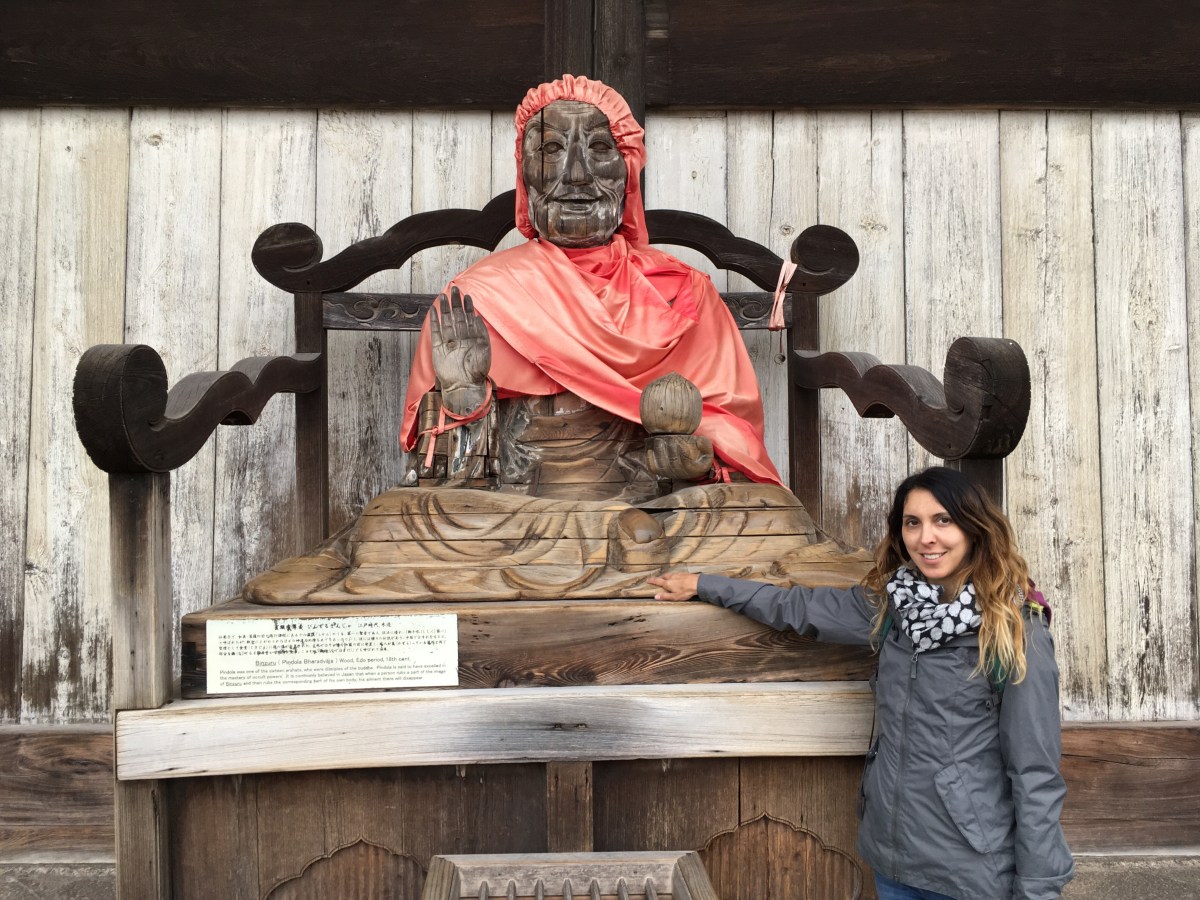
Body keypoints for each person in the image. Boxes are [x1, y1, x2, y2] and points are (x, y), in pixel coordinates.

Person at [649, 466, 1075, 900]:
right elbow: (797, 606)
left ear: (974, 528)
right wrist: (705, 584)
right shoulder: (893, 607)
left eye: (943, 520)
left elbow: (1034, 772)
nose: (926, 537)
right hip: (892, 860)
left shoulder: (1014, 630)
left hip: (971, 873)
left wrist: (1038, 889)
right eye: (913, 522)